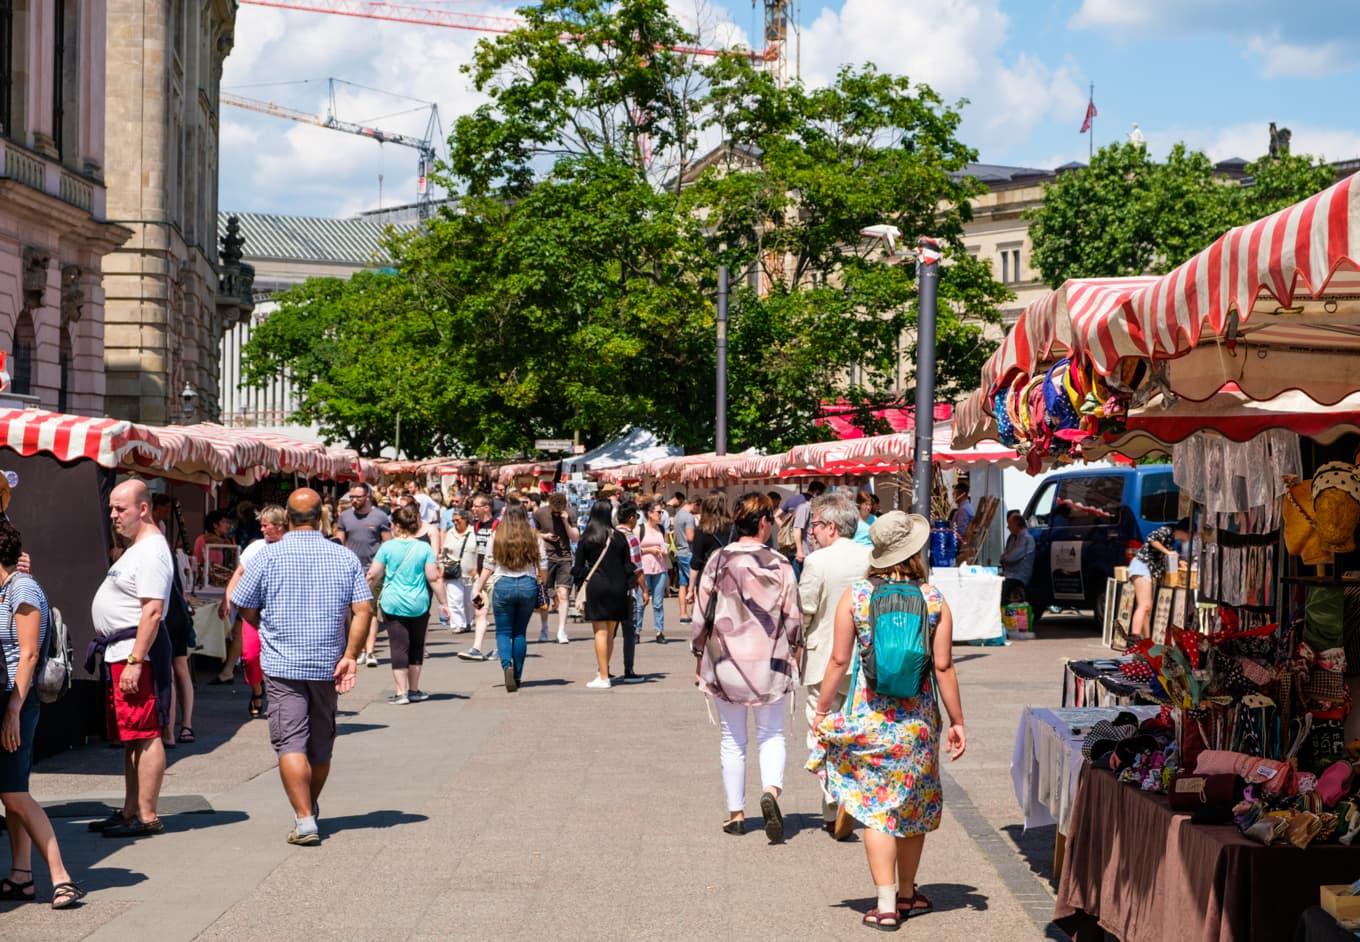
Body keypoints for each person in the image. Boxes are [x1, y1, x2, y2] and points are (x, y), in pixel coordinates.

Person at [810, 511, 967, 931]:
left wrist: (823, 710)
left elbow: (840, 660)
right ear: (915, 551)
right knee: (911, 806)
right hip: (917, 721)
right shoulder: (932, 599)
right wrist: (957, 720)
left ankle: (884, 904)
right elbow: (944, 665)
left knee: (877, 810)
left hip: (870, 718)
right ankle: (908, 894)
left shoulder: (857, 595)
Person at [231, 489, 373, 846]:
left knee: (290, 742)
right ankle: (310, 805)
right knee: (321, 743)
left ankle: (305, 817)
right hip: (328, 663)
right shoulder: (343, 557)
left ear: (288, 519)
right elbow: (364, 610)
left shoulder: (267, 556)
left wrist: (262, 621)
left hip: (283, 663)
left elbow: (242, 602)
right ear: (320, 519)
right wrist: (351, 655)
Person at [692, 493, 803, 841]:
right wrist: (796, 649)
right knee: (771, 734)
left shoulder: (717, 559)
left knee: (732, 738)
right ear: (764, 522)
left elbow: (700, 614)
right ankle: (770, 792)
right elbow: (793, 616)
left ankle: (736, 814)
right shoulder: (779, 563)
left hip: (725, 660)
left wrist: (698, 650)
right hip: (769, 660)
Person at [0, 520, 83, 908]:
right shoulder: (6, 588)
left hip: (18, 699)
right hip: (8, 699)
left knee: (14, 792)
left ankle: (61, 876)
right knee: (12, 791)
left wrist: (14, 708)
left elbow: (29, 653)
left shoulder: (21, 587)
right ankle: (21, 876)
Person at [88, 479, 174, 839]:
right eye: (110, 508)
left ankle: (147, 815)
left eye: (119, 509)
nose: (113, 515)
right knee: (131, 735)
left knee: (145, 732)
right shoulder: (137, 548)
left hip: (134, 654)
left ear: (143, 509)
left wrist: (136, 661)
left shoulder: (152, 550)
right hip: (121, 653)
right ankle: (129, 810)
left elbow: (152, 611)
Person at [798, 492, 872, 838]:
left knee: (821, 729)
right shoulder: (870, 557)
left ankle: (833, 802)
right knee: (857, 729)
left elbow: (805, 609)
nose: (811, 532)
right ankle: (852, 796)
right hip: (864, 660)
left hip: (823, 657)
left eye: (814, 525)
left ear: (830, 526)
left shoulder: (818, 562)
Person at [368, 505, 444, 705]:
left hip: (393, 603)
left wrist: (361, 597)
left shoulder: (387, 547)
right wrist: (444, 603)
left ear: (397, 526)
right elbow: (433, 578)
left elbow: (373, 575)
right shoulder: (424, 548)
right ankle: (414, 689)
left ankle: (401, 692)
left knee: (398, 645)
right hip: (419, 602)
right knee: (417, 646)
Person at [222, 505, 287, 718]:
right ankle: (257, 690)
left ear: (279, 526)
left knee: (280, 659)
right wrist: (228, 598)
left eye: (265, 525)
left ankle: (279, 699)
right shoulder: (256, 547)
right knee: (250, 657)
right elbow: (239, 572)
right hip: (252, 612)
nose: (261, 529)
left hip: (280, 612)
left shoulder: (290, 547)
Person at [471, 504, 541, 693]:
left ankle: (506, 665)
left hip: (503, 584)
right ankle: (517, 675)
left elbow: (488, 564)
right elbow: (543, 563)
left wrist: (478, 588)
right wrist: (543, 585)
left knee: (503, 631)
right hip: (528, 584)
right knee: (519, 633)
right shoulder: (533, 535)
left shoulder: (497, 535)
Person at [572, 500, 635, 689]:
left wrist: (582, 579)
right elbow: (627, 565)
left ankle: (604, 676)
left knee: (600, 631)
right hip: (618, 587)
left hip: (597, 587)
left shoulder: (587, 537)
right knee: (610, 631)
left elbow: (578, 568)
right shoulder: (619, 537)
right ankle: (603, 670)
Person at [336, 483, 392, 667]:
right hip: (351, 570)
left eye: (358, 497)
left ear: (368, 496)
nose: (354, 500)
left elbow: (388, 543)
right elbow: (339, 542)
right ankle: (357, 650)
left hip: (373, 570)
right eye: (351, 497)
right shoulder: (345, 516)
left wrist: (380, 566)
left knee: (370, 609)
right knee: (353, 611)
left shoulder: (379, 516)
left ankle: (369, 651)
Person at [1129, 517, 1191, 639]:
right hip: (1142, 566)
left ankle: (1146, 639)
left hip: (1145, 569)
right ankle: (1134, 637)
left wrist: (1179, 561)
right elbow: (1152, 538)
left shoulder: (1171, 540)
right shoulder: (1167, 530)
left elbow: (1167, 553)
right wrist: (1167, 552)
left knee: (1147, 608)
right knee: (1144, 605)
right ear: (1187, 531)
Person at [533, 492, 579, 645]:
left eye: (560, 509)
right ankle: (544, 627)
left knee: (563, 593)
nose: (557, 512)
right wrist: (545, 536)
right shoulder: (539, 514)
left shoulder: (570, 513)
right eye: (555, 510)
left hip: (564, 557)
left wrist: (566, 522)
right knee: (545, 593)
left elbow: (575, 537)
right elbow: (533, 533)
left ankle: (561, 630)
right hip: (545, 557)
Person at [459, 495, 498, 661]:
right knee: (480, 612)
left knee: (499, 614)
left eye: (476, 506)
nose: (473, 509)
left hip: (496, 575)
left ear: (486, 507)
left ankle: (500, 647)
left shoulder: (497, 525)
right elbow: (478, 548)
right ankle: (476, 648)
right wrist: (475, 567)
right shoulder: (476, 525)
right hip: (481, 575)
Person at [614, 503, 645, 679]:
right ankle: (628, 669)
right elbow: (637, 568)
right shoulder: (631, 538)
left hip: (610, 588)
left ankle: (604, 669)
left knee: (609, 631)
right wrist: (645, 589)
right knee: (628, 631)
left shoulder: (611, 535)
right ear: (631, 517)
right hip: (627, 590)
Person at [638, 499, 670, 644]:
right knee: (641, 602)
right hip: (643, 570)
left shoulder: (662, 529)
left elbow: (666, 546)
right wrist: (649, 550)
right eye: (658, 512)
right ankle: (636, 631)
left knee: (658, 603)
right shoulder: (640, 529)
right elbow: (634, 549)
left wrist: (665, 550)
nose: (661, 514)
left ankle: (659, 631)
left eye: (661, 512)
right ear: (650, 513)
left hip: (660, 569)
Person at [441, 509, 477, 634]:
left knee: (469, 600)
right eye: (453, 521)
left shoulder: (474, 532)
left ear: (465, 520)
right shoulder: (450, 533)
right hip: (453, 571)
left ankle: (468, 622)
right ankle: (458, 624)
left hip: (470, 572)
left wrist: (477, 568)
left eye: (458, 520)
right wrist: (441, 567)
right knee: (455, 599)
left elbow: (479, 552)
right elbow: (443, 553)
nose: (456, 523)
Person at [689, 493, 733, 581]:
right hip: (729, 576)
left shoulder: (702, 530)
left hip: (708, 577)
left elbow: (696, 562)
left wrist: (690, 589)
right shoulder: (734, 528)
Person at [999, 511, 1037, 604]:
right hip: (1009, 574)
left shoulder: (1026, 538)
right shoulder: (1012, 538)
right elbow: (1004, 556)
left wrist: (1005, 558)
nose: (1008, 527)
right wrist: (1005, 558)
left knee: (1001, 589)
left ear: (1017, 524)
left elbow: (1011, 557)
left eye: (1010, 524)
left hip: (1018, 577)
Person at [672, 494, 697, 623]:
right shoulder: (689, 517)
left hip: (679, 552)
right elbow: (690, 537)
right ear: (694, 504)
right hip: (688, 552)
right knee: (695, 584)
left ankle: (683, 614)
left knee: (683, 584)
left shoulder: (678, 514)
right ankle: (696, 613)